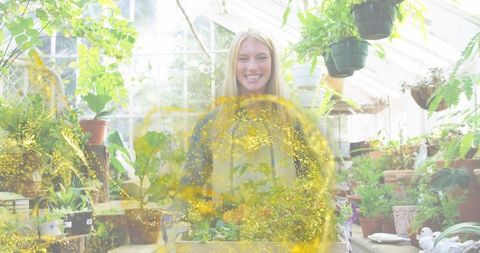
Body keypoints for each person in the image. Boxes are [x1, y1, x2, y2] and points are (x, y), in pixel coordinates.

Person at [178, 28, 332, 202]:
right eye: (243, 59)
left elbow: (313, 184)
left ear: (273, 63)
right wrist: (203, 222)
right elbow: (189, 189)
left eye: (261, 57)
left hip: (283, 227)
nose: (252, 67)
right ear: (233, 65)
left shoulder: (294, 122)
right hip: (225, 228)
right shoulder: (211, 123)